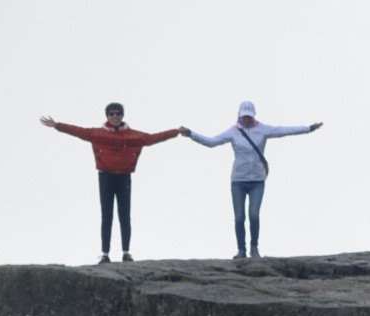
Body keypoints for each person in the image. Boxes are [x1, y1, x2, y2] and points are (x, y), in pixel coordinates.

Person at [180, 101, 322, 258]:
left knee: (254, 215)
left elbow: (284, 130)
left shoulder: (262, 129)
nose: (247, 120)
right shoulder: (233, 131)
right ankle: (241, 251)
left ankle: (254, 248)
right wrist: (191, 134)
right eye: (244, 117)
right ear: (239, 115)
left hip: (257, 181)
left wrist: (308, 129)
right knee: (239, 217)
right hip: (238, 181)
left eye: (249, 117)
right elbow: (212, 142)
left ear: (253, 116)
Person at [41, 103, 179, 263]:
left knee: (124, 215)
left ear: (122, 116)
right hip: (106, 177)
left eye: (118, 113)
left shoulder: (134, 136)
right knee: (107, 215)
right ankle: (105, 254)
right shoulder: (97, 134)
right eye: (112, 113)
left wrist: (176, 132)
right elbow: (78, 131)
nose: (115, 116)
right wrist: (57, 125)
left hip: (124, 177)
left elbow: (155, 138)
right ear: (107, 116)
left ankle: (126, 253)